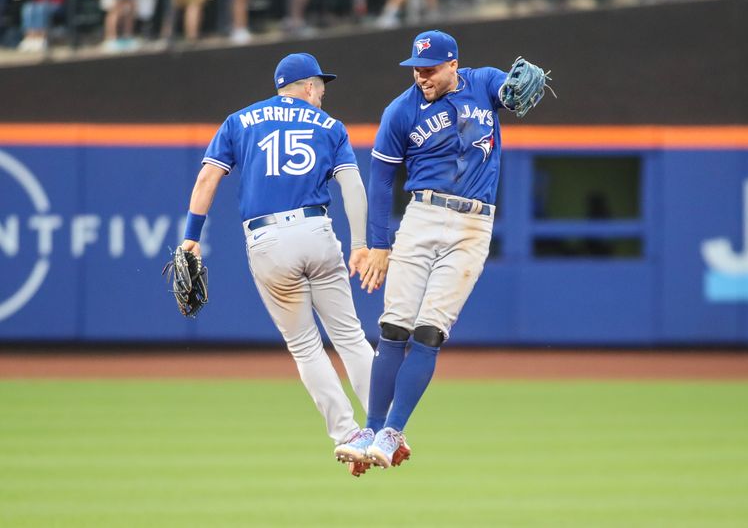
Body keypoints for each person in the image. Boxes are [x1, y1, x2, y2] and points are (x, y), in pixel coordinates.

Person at [336, 30, 550, 469]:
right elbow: (379, 182)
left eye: (430, 69)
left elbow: (510, 92)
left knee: (429, 332)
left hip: (473, 223)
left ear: (453, 65)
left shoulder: (483, 82)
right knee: (394, 327)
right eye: (416, 68)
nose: (421, 76)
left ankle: (393, 431)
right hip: (421, 216)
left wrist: (512, 90)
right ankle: (371, 429)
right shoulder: (400, 111)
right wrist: (378, 243)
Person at [179, 53, 375, 476]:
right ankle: (384, 427)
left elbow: (206, 179)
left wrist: (191, 237)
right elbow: (353, 185)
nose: (323, 92)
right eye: (320, 84)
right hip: (316, 231)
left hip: (266, 240)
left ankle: (347, 434)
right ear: (307, 87)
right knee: (350, 337)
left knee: (305, 347)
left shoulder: (238, 121)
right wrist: (360, 242)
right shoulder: (331, 127)